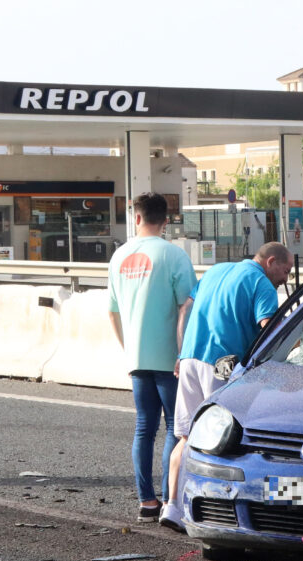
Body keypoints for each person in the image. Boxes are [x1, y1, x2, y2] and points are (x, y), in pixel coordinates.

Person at [159, 242, 292, 531]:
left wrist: (181, 353)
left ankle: (171, 506)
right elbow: (270, 328)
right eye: (285, 271)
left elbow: (186, 310)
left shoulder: (216, 270)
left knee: (185, 437)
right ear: (271, 261)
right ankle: (215, 511)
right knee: (221, 440)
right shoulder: (262, 284)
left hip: (191, 359)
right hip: (222, 365)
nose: (286, 279)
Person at [108, 192, 197, 523]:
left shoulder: (118, 256)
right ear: (167, 219)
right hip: (170, 359)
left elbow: (112, 312)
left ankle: (147, 501)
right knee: (175, 428)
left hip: (137, 357)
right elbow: (186, 307)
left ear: (136, 217)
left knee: (144, 427)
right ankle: (169, 499)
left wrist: (129, 349)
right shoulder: (174, 255)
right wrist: (183, 352)